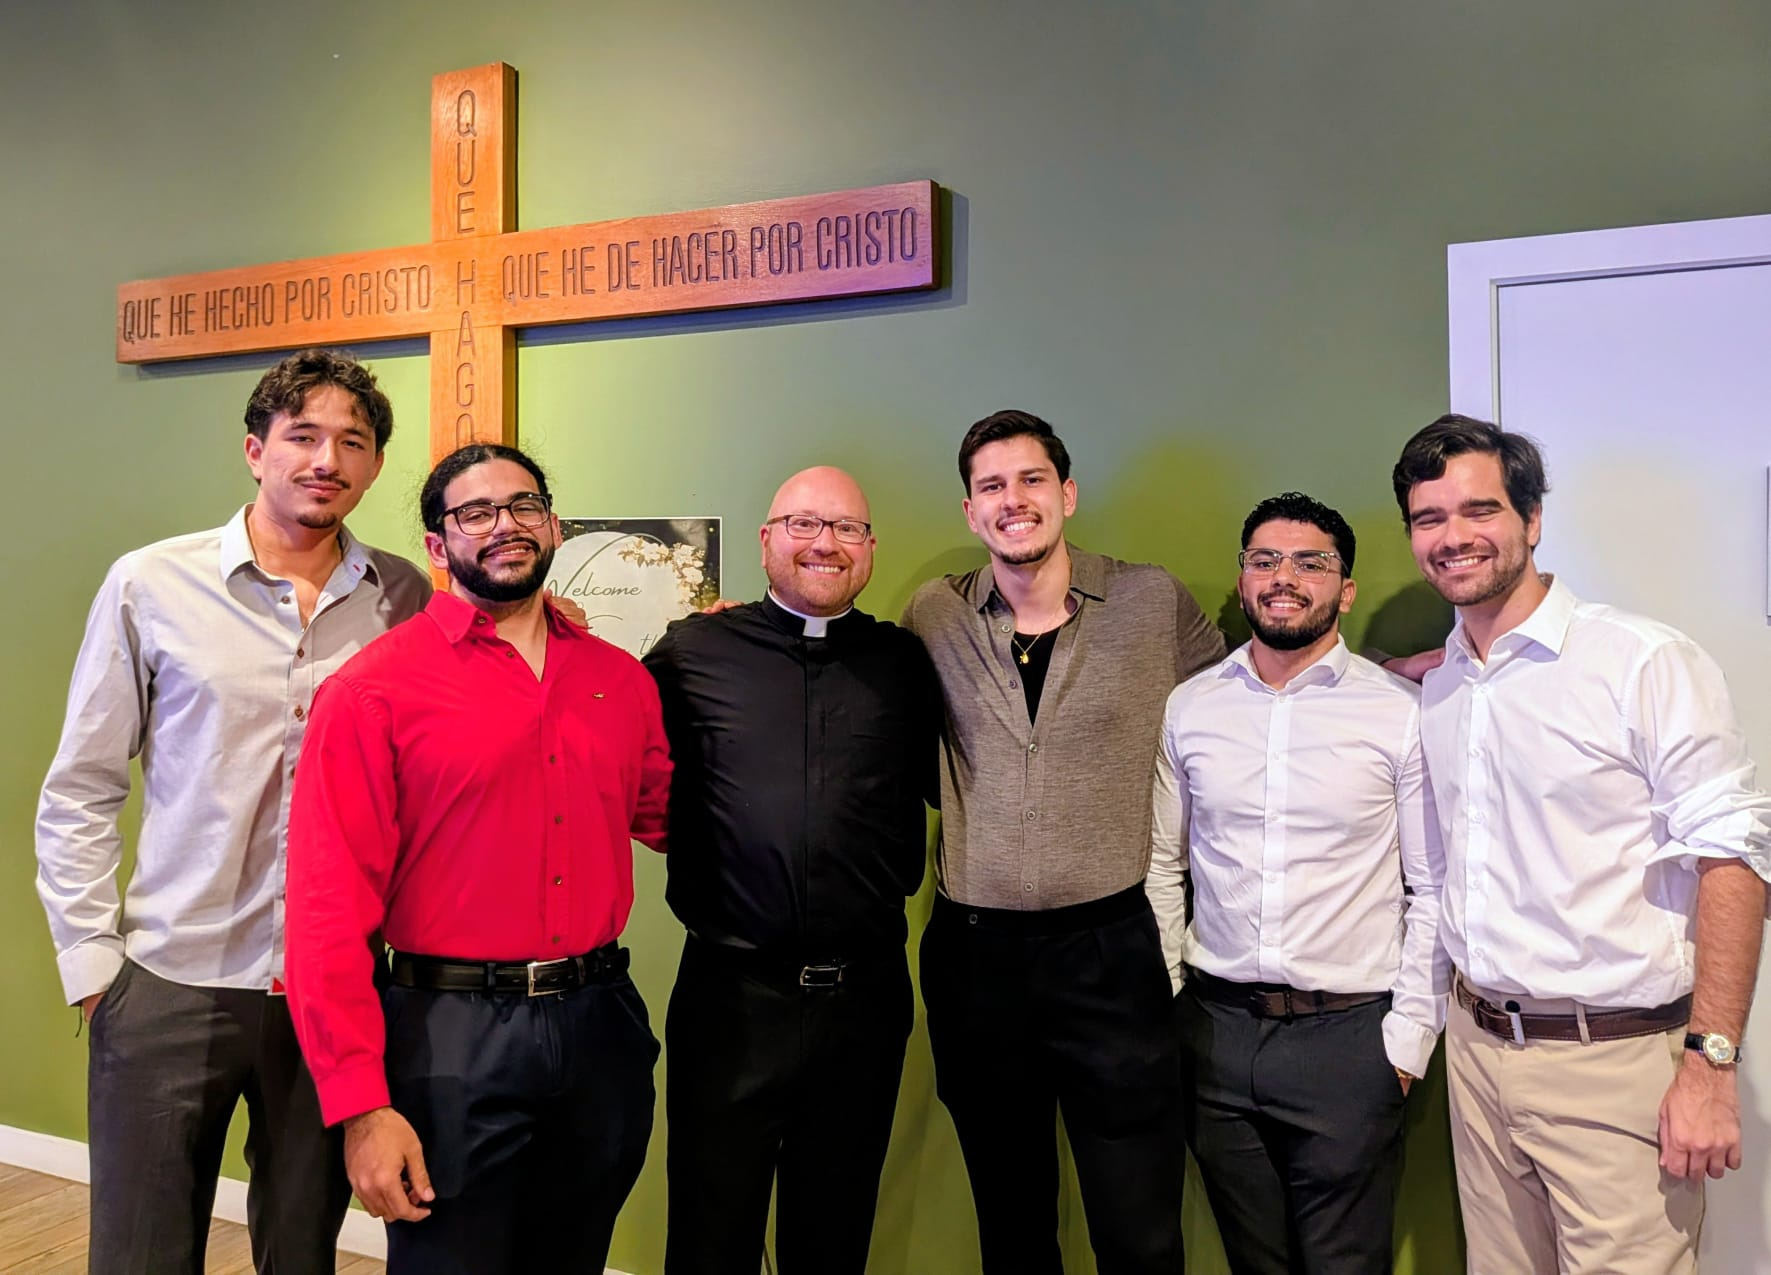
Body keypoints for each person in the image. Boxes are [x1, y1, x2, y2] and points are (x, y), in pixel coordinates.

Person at [34, 348, 427, 1274]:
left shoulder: (403, 597)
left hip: (332, 992)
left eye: (351, 442)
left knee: (303, 1252)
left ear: (374, 464)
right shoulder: (149, 583)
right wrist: (95, 966)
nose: (325, 459)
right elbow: (83, 784)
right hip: (171, 981)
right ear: (256, 450)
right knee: (140, 1254)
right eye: (303, 436)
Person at [1392, 414, 1771, 1274]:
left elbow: (1735, 858)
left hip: (1611, 1064)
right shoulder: (1444, 684)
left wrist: (1710, 1066)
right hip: (1477, 1053)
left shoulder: (1641, 662)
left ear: (1531, 519)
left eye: (1478, 510)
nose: (1452, 536)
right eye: (1428, 518)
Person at [283, 442, 671, 1275]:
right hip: (447, 1037)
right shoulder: (372, 691)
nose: (506, 525)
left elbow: (669, 815)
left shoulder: (617, 680)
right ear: (437, 543)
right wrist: (361, 1107)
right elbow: (325, 910)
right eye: (476, 512)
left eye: (524, 505)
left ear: (553, 525)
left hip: (598, 1025)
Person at [900, 409, 1224, 1275]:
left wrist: (1388, 673)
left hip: (1109, 952)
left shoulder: (1150, 601)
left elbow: (1239, 700)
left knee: (1138, 1225)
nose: (1013, 500)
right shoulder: (933, 613)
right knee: (1010, 1221)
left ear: (1067, 494)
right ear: (970, 511)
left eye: (1031, 479)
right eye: (992, 486)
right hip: (975, 958)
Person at [643, 465, 940, 1275]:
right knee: (709, 1232)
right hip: (730, 998)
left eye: (846, 528)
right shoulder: (692, 651)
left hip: (864, 999)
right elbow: (618, 763)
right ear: (766, 539)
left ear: (869, 547)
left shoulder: (905, 664)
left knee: (835, 1232)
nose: (824, 543)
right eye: (804, 523)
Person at [1147, 491, 1447, 1275]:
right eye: (1264, 559)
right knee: (1254, 1263)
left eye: (1310, 562)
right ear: (1242, 578)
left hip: (1349, 1040)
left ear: (1344, 590)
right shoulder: (1191, 707)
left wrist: (1406, 1042)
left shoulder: (1397, 713)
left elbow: (1433, 888)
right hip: (1216, 1033)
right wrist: (1172, 999)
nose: (1283, 576)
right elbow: (1160, 864)